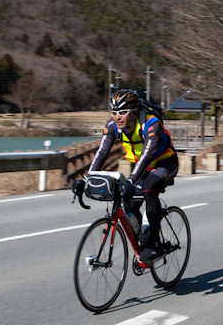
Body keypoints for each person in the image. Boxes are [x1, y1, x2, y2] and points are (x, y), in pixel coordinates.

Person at [73, 89, 178, 264]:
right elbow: (102, 152)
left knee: (149, 189)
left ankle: (154, 242)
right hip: (143, 167)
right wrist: (86, 180)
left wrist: (130, 180)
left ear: (134, 112)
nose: (117, 117)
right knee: (129, 203)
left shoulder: (151, 124)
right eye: (114, 113)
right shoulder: (112, 126)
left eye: (123, 112)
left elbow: (148, 154)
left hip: (165, 163)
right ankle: (142, 242)